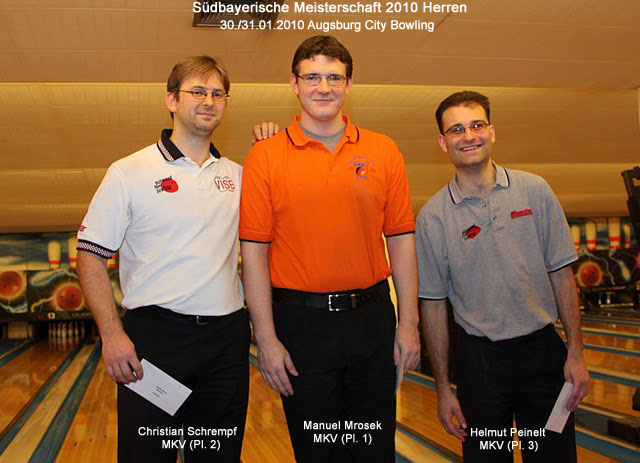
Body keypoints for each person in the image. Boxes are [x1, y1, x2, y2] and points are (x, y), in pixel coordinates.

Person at [239, 35, 420, 463]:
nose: (324, 87)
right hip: (301, 326)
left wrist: (409, 323)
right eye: (313, 77)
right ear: (294, 83)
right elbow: (255, 254)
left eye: (334, 78)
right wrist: (266, 339)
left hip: (372, 320)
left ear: (349, 83)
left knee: (374, 452)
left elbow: (401, 239)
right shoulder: (265, 156)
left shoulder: (383, 150)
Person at [76, 56, 249, 463]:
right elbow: (90, 256)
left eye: (218, 94)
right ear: (171, 100)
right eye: (197, 91)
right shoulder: (129, 171)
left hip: (226, 343)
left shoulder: (239, 176)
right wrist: (111, 334)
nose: (208, 101)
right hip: (155, 342)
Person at [416, 91, 589, 462]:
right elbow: (432, 305)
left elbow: (561, 273)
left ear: (491, 132)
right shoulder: (432, 218)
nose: (469, 136)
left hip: (543, 353)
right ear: (443, 142)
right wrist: (443, 387)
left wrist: (576, 353)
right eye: (457, 129)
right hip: (480, 362)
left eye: (477, 125)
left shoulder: (535, 190)